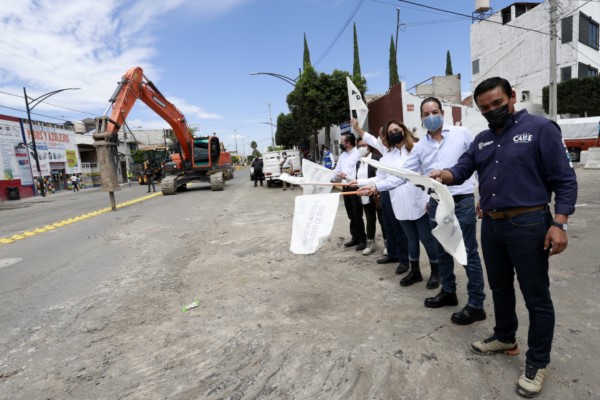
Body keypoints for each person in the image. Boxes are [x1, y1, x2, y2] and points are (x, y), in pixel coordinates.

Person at [430, 77, 578, 398]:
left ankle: (537, 362)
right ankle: (505, 336)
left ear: (512, 97)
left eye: (497, 103)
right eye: (484, 108)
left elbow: (565, 179)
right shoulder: (482, 140)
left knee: (536, 296)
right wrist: (445, 175)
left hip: (530, 223)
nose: (492, 111)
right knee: (499, 287)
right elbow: (462, 168)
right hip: (493, 226)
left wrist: (560, 222)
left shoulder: (540, 129)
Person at [359, 98, 486, 325]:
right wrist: (375, 187)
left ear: (442, 112)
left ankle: (476, 304)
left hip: (462, 201)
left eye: (434, 112)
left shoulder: (462, 134)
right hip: (437, 202)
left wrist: (483, 196)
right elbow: (403, 175)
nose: (430, 116)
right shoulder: (420, 148)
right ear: (421, 118)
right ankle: (449, 291)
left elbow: (480, 165)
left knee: (467, 253)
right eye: (426, 114)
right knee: (443, 250)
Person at [355, 120, 439, 289]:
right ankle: (415, 272)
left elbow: (428, 176)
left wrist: (428, 199)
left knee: (427, 240)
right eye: (390, 131)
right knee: (411, 240)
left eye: (397, 129)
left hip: (420, 204)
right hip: (399, 204)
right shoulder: (388, 156)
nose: (394, 133)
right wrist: (357, 182)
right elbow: (381, 179)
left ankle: (436, 272)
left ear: (404, 130)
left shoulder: (417, 149)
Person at [351, 119, 409, 274]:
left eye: (383, 136)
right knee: (388, 225)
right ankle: (392, 253)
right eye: (381, 137)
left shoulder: (406, 150)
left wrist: (358, 129)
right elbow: (380, 177)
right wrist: (361, 183)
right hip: (386, 193)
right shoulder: (386, 152)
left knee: (399, 229)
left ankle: (405, 260)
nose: (380, 140)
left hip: (400, 193)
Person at [332, 134, 367, 251]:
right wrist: (329, 177)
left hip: (354, 187)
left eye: (342, 141)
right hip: (345, 187)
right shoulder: (342, 155)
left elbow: (358, 172)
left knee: (357, 214)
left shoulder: (358, 154)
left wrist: (347, 177)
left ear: (348, 143)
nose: (341, 143)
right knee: (350, 214)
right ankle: (355, 237)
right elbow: (337, 170)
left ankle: (363, 239)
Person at [354, 138, 385, 255]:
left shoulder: (377, 159)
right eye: (359, 146)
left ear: (369, 146)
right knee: (370, 220)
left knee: (382, 220)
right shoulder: (358, 161)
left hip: (377, 194)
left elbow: (381, 177)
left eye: (364, 145)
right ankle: (370, 243)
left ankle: (387, 243)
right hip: (365, 195)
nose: (361, 148)